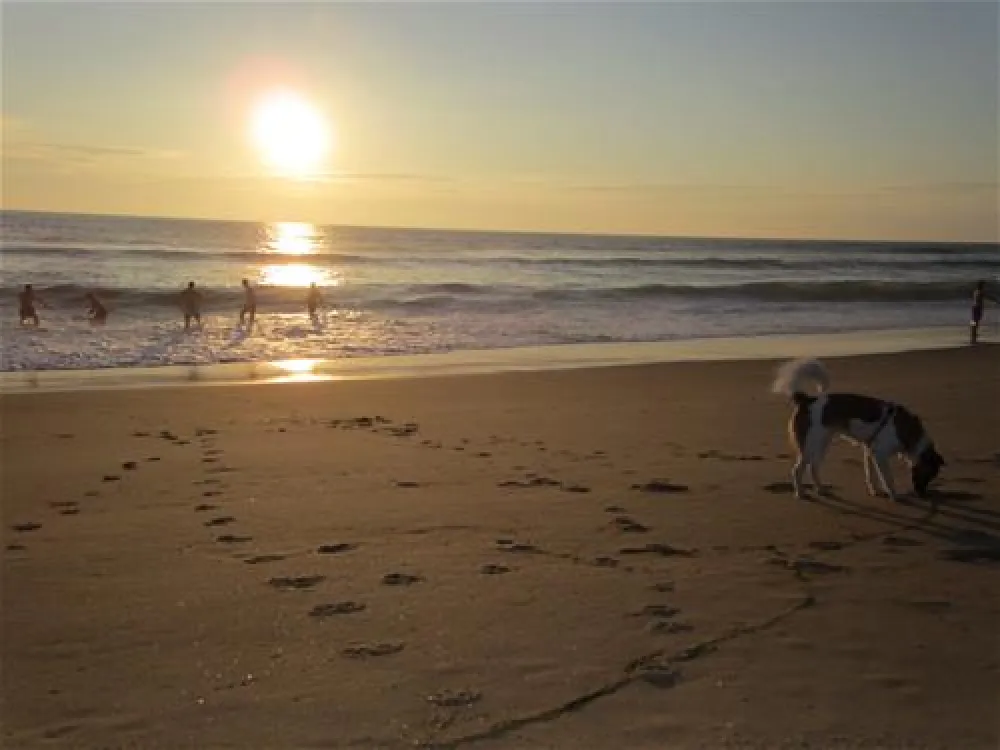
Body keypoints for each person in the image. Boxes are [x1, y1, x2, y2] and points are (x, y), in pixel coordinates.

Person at [970, 279, 997, 345]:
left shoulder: (975, 291)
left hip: (974, 307)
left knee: (974, 321)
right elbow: (987, 297)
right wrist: (995, 300)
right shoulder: (980, 292)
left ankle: (973, 337)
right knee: (976, 322)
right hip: (978, 307)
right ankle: (974, 338)